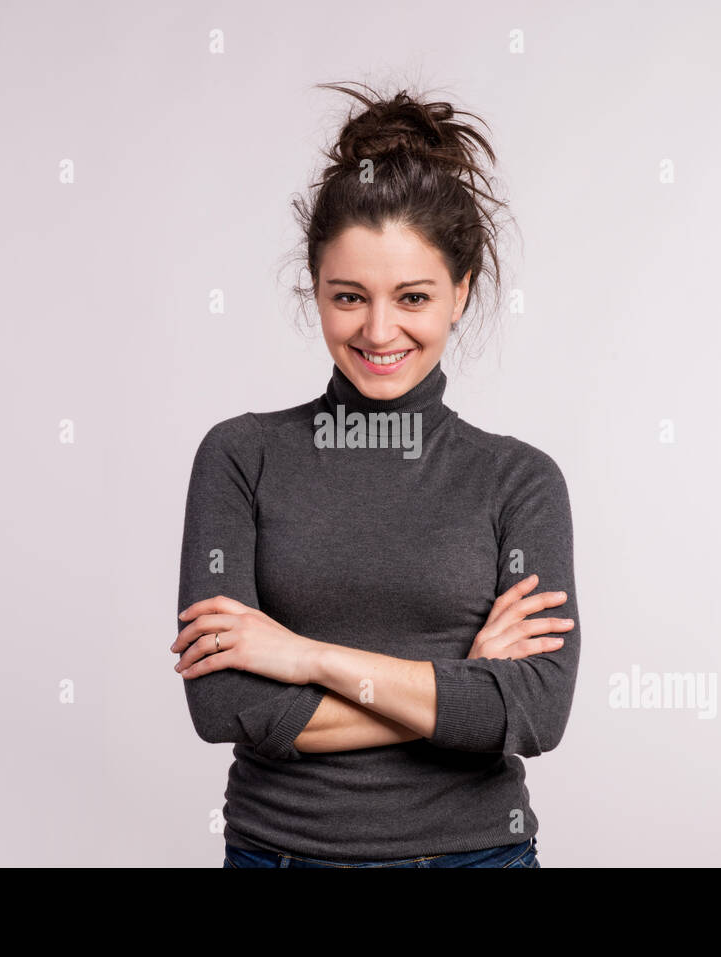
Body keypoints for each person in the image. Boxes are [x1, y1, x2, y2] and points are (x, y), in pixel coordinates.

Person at [171, 81, 579, 868]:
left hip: (476, 856)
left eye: (414, 296)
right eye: (348, 296)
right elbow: (222, 702)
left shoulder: (520, 481)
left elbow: (536, 710)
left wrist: (304, 656)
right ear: (315, 291)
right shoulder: (240, 457)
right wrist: (462, 688)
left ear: (461, 292)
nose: (379, 330)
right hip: (279, 854)